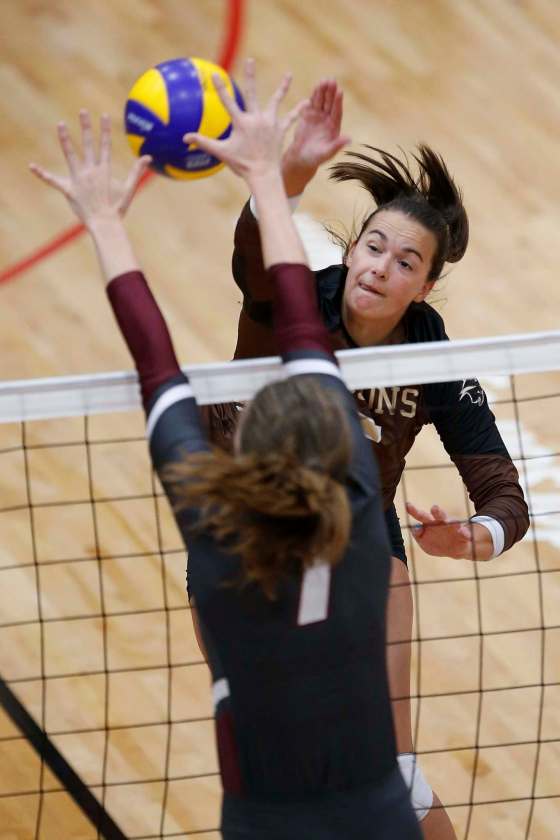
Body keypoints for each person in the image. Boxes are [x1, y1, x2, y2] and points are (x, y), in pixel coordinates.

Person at [30, 62, 423, 839]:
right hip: (380, 816)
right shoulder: (358, 502)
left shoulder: (220, 537)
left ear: (246, 448)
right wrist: (269, 182)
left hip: (265, 824)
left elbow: (168, 355)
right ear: (334, 438)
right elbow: (180, 361)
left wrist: (106, 221)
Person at [202, 79, 531, 837]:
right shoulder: (292, 302)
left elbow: (503, 492)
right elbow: (259, 239)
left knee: (394, 771)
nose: (380, 267)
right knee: (272, 749)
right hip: (241, 530)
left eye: (405, 261)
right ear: (351, 251)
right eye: (372, 246)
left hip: (361, 535)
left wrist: (474, 536)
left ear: (426, 285)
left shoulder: (430, 356)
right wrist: (288, 174)